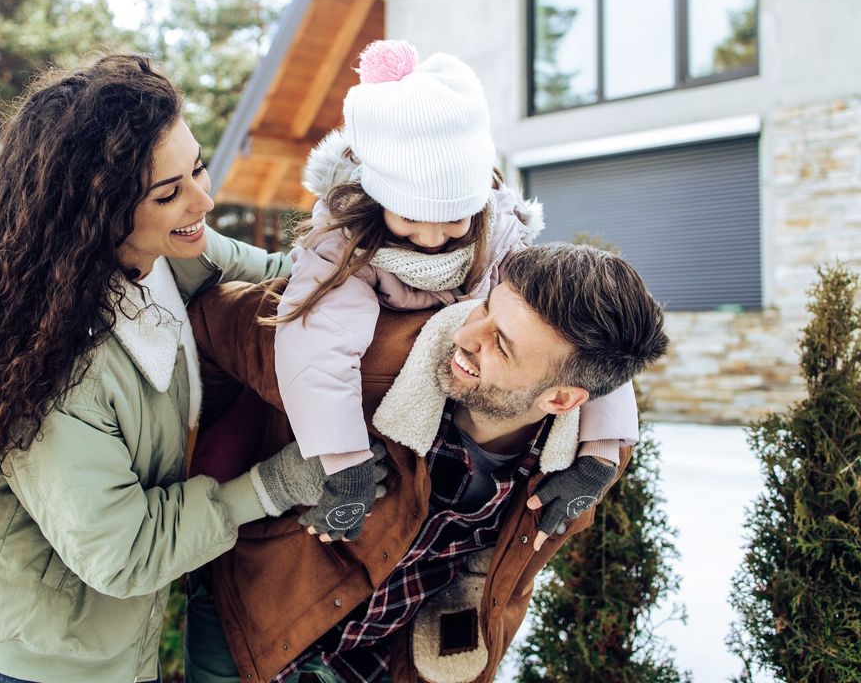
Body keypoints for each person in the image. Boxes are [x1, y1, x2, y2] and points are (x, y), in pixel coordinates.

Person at [0, 54, 359, 683]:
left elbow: (281, 282)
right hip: (41, 661)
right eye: (170, 192)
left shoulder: (162, 247)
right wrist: (275, 485)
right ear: (96, 212)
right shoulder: (49, 363)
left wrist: (383, 246)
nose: (204, 200)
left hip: (111, 637)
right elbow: (124, 550)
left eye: (198, 168)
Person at [184, 241, 670, 683]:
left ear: (563, 399)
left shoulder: (584, 464)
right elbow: (211, 321)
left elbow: (507, 581)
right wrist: (223, 454)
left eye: (500, 343)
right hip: (253, 626)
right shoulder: (360, 358)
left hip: (379, 662)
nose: (467, 333)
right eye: (486, 307)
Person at [267, 39, 638, 542]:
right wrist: (344, 460)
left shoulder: (502, 233)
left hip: (473, 424)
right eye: (412, 217)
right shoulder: (345, 245)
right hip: (390, 433)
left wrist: (600, 452)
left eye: (454, 217)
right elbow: (314, 345)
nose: (434, 237)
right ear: (379, 198)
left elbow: (583, 334)